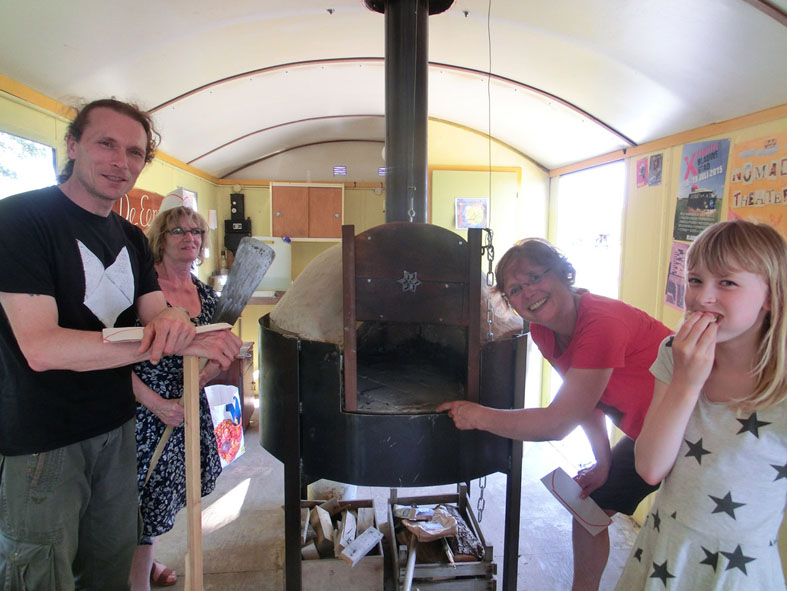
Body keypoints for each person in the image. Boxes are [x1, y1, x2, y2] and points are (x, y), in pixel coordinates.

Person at [0, 99, 241, 590]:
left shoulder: (130, 237)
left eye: (134, 152)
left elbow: (157, 313)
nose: (121, 162)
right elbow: (42, 349)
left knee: (110, 568)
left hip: (118, 427)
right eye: (105, 144)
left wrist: (196, 333)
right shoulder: (21, 221)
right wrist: (167, 344)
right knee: (42, 572)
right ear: (72, 145)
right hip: (44, 440)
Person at [437, 238, 671, 591]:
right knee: (591, 506)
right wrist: (603, 461)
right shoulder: (544, 331)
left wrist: (478, 416)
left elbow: (560, 422)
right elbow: (585, 401)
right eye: (515, 289)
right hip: (650, 435)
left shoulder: (602, 322)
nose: (528, 293)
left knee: (686, 530)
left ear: (563, 273)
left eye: (534, 277)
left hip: (696, 431)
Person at [616, 219, 787, 590]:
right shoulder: (673, 354)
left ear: (771, 296)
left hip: (736, 571)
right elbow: (649, 467)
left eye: (726, 282)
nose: (702, 297)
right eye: (695, 280)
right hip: (664, 548)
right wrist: (686, 381)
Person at [128, 206, 225, 590]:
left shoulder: (205, 294)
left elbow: (219, 352)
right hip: (143, 409)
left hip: (187, 407)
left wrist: (202, 377)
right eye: (178, 231)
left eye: (196, 232)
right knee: (139, 502)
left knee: (166, 497)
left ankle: (147, 564)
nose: (190, 238)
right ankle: (139, 581)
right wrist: (156, 404)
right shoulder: (142, 289)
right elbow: (115, 361)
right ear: (160, 240)